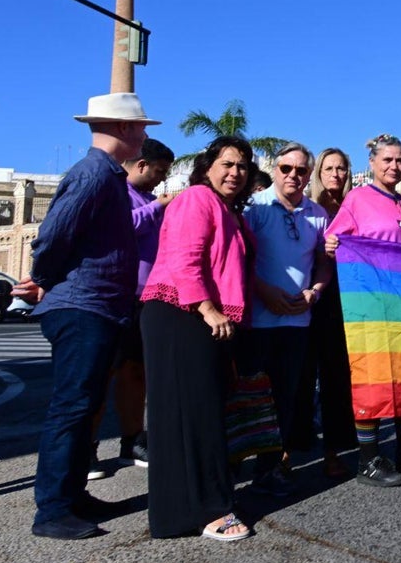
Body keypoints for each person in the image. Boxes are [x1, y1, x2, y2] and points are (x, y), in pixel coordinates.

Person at [16, 93, 156, 540]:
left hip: (97, 306)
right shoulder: (95, 174)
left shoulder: (107, 176)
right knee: (72, 408)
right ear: (123, 129)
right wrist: (44, 276)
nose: (145, 134)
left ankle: (72, 495)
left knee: (85, 405)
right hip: (84, 306)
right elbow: (55, 233)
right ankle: (53, 509)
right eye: (140, 127)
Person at [140, 136, 256, 541]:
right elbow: (183, 257)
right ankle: (206, 509)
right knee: (188, 416)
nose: (235, 173)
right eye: (226, 164)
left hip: (196, 316)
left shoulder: (225, 209)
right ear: (207, 167)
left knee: (195, 414)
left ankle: (187, 510)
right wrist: (207, 308)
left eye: (241, 166)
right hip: (182, 313)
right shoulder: (195, 199)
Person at [326, 134, 401, 486]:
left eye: (399, 160)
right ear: (373, 165)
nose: (394, 166)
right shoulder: (358, 198)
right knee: (373, 379)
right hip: (372, 307)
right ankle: (368, 460)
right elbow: (335, 241)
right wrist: (333, 243)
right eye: (387, 160)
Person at [241, 143, 333, 495]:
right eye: (285, 168)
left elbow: (323, 260)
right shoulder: (255, 208)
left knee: (286, 398)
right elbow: (239, 260)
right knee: (249, 398)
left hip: (297, 322)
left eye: (300, 170)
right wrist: (263, 290)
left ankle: (271, 468)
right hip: (259, 320)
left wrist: (316, 291)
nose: (293, 175)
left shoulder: (317, 214)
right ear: (275, 169)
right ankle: (235, 466)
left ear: (309, 175)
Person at [104, 137, 175, 471]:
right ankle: (86, 448)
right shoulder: (116, 192)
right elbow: (120, 229)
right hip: (116, 299)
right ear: (141, 164)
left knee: (136, 373)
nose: (162, 179)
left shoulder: (147, 198)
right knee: (104, 375)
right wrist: (158, 206)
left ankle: (132, 440)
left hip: (146, 301)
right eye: (159, 171)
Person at [294, 147, 357, 478]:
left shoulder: (355, 207)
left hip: (343, 302)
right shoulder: (310, 211)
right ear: (319, 173)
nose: (336, 174)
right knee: (302, 378)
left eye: (341, 168)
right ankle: (291, 450)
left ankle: (334, 449)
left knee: (336, 378)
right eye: (329, 168)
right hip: (309, 297)